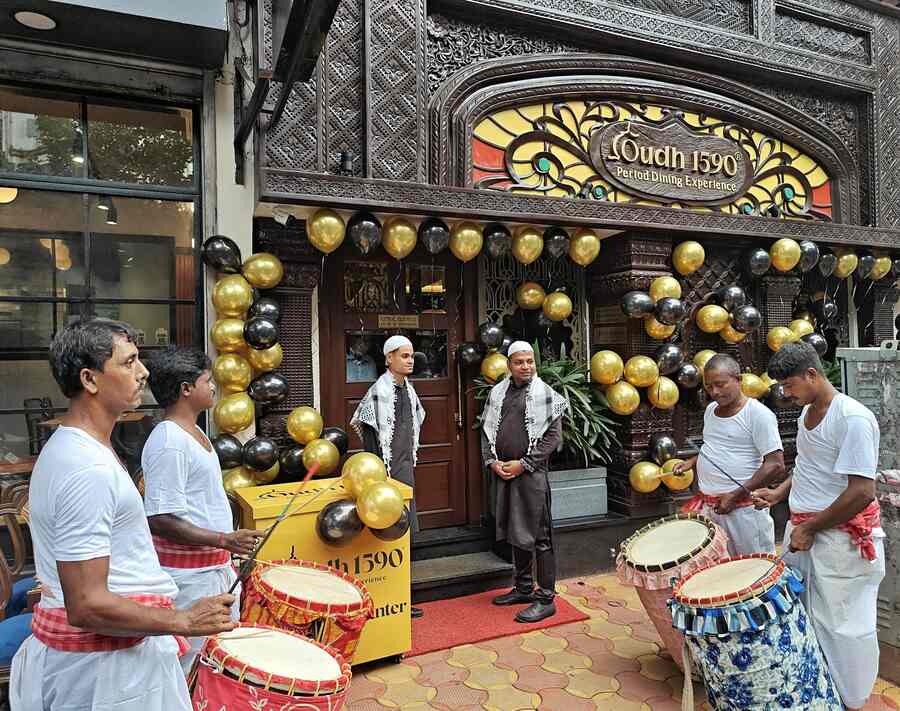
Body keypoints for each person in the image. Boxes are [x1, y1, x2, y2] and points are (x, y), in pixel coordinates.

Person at [10, 319, 235, 711]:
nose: (143, 372)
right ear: (90, 379)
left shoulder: (82, 449)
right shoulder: (85, 467)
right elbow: (87, 603)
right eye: (129, 362)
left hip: (110, 665)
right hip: (105, 677)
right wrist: (183, 620)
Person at [753, 341, 884, 711]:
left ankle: (851, 701)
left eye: (789, 385)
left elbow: (861, 491)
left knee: (844, 625)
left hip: (838, 539)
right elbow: (810, 469)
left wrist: (811, 528)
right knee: (803, 614)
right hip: (803, 532)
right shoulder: (806, 414)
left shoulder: (853, 418)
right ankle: (818, 694)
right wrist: (779, 494)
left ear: (812, 374)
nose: (785, 393)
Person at [141, 346, 261, 674]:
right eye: (207, 380)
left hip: (211, 571)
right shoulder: (169, 440)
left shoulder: (193, 433)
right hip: (189, 580)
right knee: (192, 667)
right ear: (186, 389)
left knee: (216, 663)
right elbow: (160, 518)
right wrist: (224, 539)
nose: (213, 387)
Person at [480, 341, 567, 623]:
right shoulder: (498, 393)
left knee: (540, 537)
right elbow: (486, 431)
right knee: (517, 533)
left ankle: (546, 599)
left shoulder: (546, 395)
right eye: (519, 362)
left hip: (531, 475)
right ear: (509, 365)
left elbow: (553, 438)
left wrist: (525, 464)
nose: (526, 366)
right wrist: (492, 462)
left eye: (530, 361)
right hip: (505, 473)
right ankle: (524, 588)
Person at [674, 354, 784, 556]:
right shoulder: (711, 410)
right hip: (710, 507)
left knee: (752, 571)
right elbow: (715, 448)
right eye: (708, 387)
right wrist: (691, 462)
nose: (714, 392)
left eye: (720, 384)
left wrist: (735, 495)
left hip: (744, 512)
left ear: (738, 380)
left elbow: (775, 464)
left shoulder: (758, 414)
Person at [351, 334, 426, 618]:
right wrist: (379, 477)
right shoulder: (377, 393)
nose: (410, 361)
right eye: (404, 356)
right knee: (386, 531)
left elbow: (417, 420)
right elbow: (370, 438)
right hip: (385, 474)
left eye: (411, 356)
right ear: (388, 359)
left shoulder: (409, 390)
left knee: (404, 531)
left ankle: (403, 598)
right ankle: (386, 599)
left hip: (406, 470)